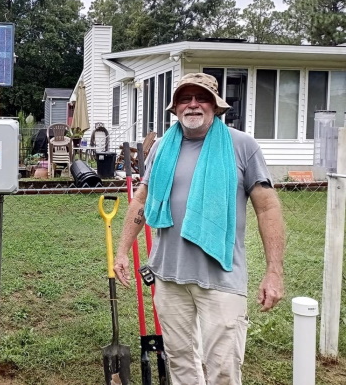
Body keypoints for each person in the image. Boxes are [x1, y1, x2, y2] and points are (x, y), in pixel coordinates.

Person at [113, 72, 285, 385]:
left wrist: (274, 271)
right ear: (175, 107)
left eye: (201, 97)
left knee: (223, 367)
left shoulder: (242, 146)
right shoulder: (162, 147)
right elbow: (142, 198)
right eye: (185, 98)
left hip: (220, 277)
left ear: (216, 106)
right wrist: (123, 250)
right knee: (180, 363)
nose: (193, 104)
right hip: (168, 275)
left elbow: (267, 207)